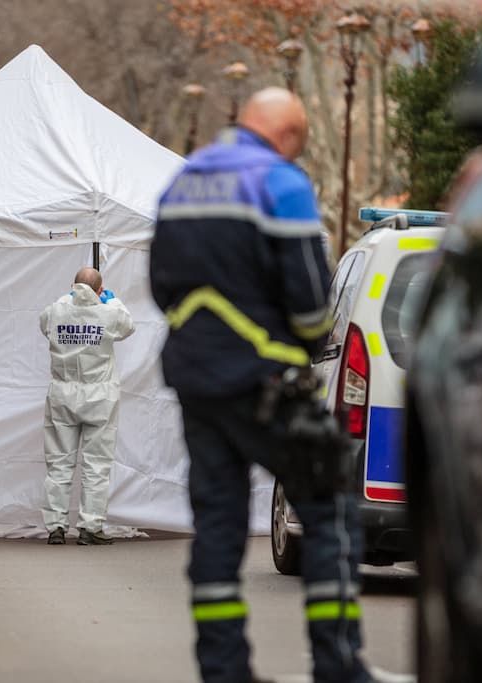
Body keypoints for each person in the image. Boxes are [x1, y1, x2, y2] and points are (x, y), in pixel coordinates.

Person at [150, 88, 372, 683]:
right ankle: (338, 664)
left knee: (218, 525)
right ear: (289, 137)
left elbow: (160, 285)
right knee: (329, 510)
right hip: (266, 381)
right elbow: (308, 297)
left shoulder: (183, 180)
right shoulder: (281, 182)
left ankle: (223, 670)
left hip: (196, 382)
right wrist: (302, 346)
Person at [39, 266, 135, 546]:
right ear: (100, 289)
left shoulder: (57, 310)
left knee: (59, 463)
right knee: (97, 465)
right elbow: (128, 325)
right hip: (99, 397)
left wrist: (67, 300)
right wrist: (111, 300)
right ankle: (90, 527)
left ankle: (55, 527)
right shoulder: (109, 313)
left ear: (73, 286)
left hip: (63, 394)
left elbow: (44, 323)